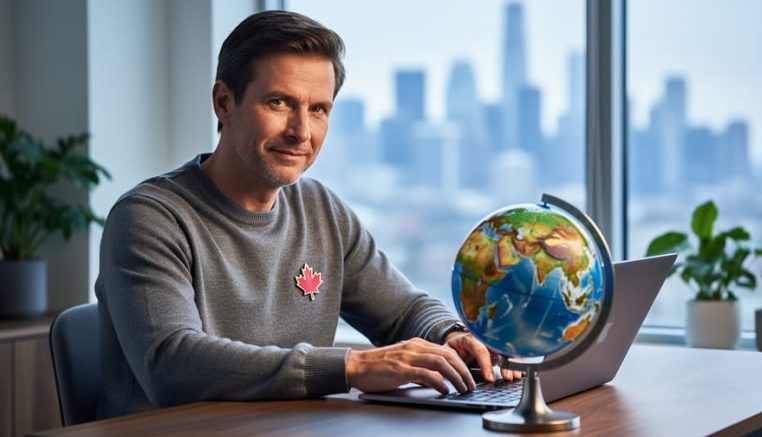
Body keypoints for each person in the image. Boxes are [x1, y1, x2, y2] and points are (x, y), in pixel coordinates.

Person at [95, 10, 519, 419]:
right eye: (280, 102)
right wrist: (352, 367)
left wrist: (451, 336)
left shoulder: (322, 211)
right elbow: (172, 365)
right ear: (224, 103)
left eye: (319, 109)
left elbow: (403, 311)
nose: (302, 131)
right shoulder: (149, 218)